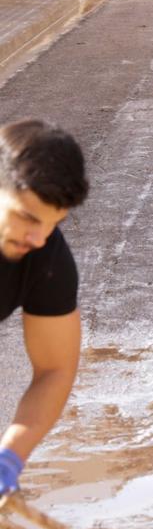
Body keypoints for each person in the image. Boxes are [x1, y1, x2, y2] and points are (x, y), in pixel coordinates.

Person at [0, 120, 89, 501]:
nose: (39, 239)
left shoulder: (46, 258)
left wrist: (10, 457)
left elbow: (54, 369)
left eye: (54, 224)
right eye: (28, 217)